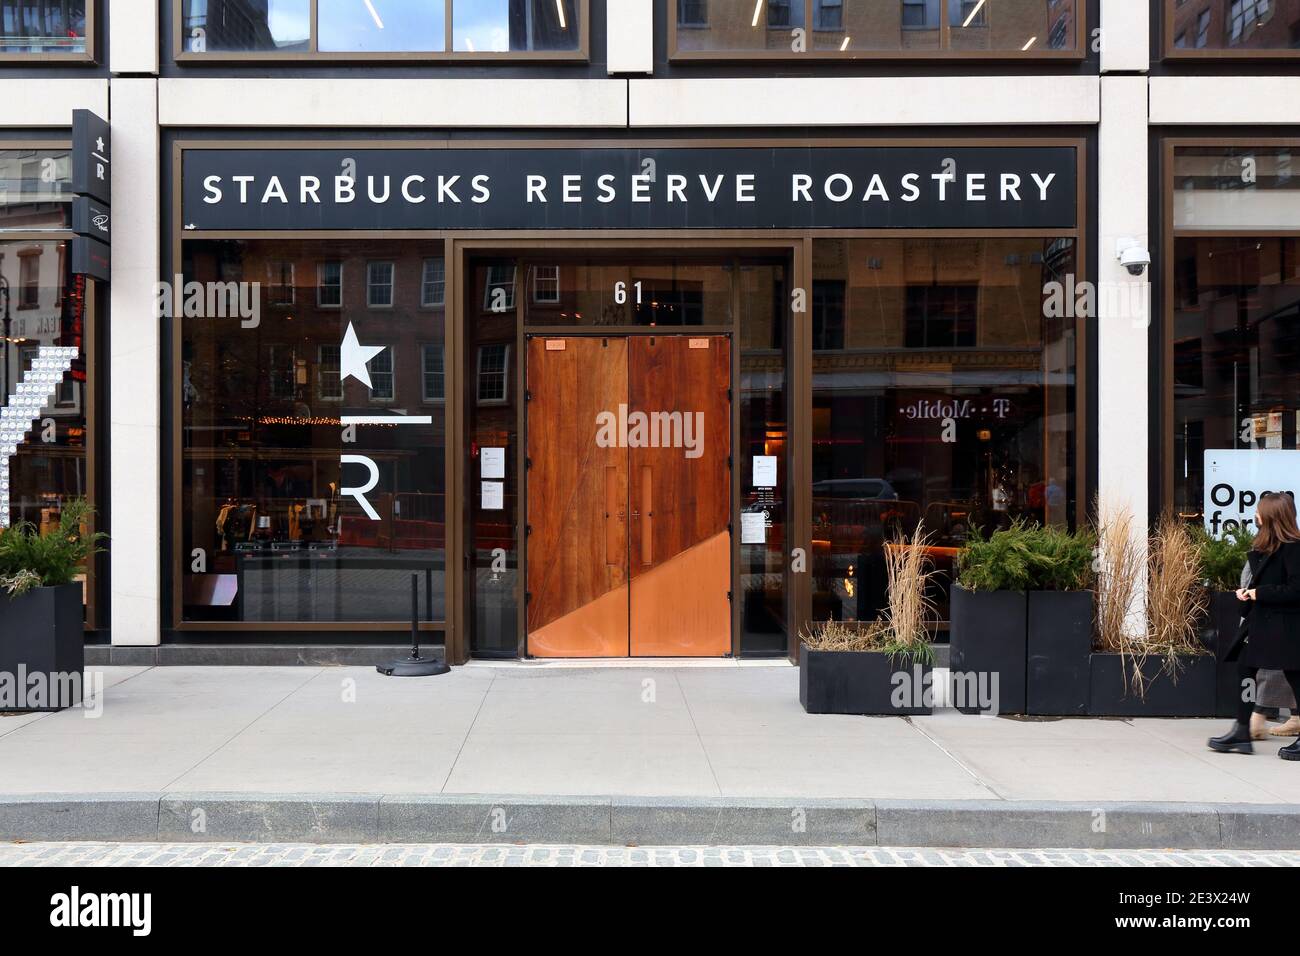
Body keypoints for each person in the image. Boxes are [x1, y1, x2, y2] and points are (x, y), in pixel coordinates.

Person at [1209, 492, 1300, 759]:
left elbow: (1296, 589)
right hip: (1261, 624)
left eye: (1259, 511)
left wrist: (1259, 593)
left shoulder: (1294, 548)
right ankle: (1241, 729)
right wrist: (1247, 593)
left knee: (1296, 677)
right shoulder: (1267, 546)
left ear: (1272, 515)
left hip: (1285, 626)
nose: (1255, 515)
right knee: (1245, 670)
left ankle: (1243, 731)